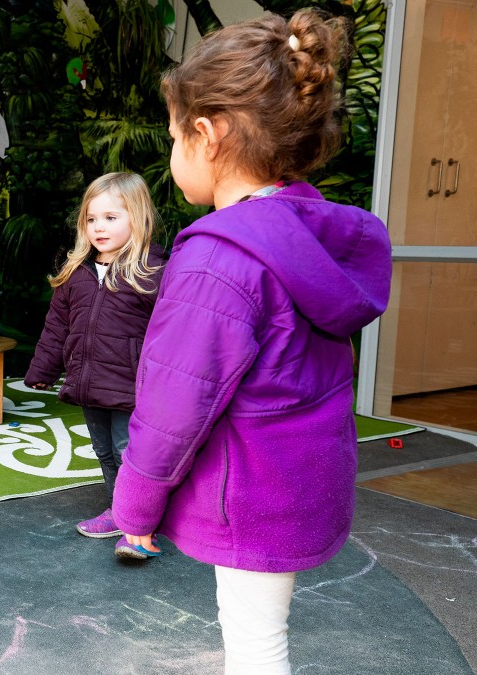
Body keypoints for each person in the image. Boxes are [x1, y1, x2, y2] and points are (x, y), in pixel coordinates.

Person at [111, 10, 392, 673]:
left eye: (175, 136)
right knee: (263, 633)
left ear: (207, 135)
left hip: (251, 493)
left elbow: (176, 403)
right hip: (306, 483)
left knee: (255, 650)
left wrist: (135, 503)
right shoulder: (314, 236)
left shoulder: (220, 259)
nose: (173, 153)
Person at [23, 172, 167, 560]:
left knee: (130, 453)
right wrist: (43, 369)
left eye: (111, 217)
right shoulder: (77, 273)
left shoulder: (152, 273)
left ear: (137, 218)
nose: (98, 227)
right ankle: (120, 512)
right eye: (91, 219)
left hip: (132, 386)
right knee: (105, 452)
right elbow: (57, 327)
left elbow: (172, 333)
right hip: (90, 382)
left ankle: (140, 524)